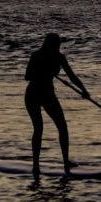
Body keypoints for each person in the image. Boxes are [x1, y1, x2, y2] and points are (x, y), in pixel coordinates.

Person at [24, 33, 89, 176]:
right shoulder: (36, 55)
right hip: (33, 94)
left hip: (48, 94)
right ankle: (36, 165)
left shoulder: (60, 57)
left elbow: (72, 76)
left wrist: (84, 91)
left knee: (62, 126)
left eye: (59, 45)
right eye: (56, 44)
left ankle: (65, 160)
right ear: (49, 44)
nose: (58, 47)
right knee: (39, 128)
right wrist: (45, 73)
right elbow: (27, 76)